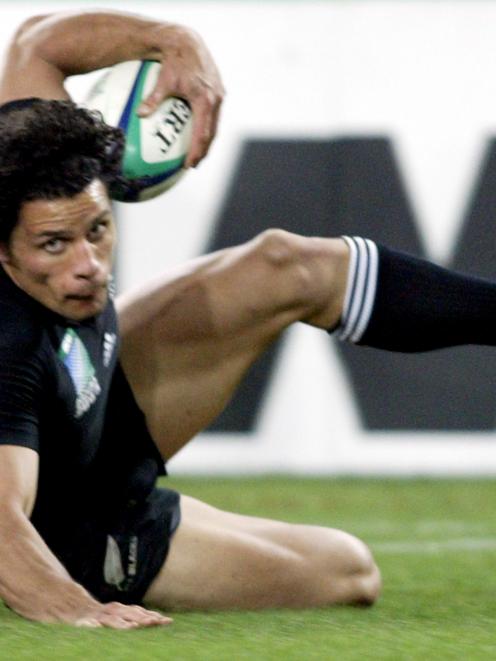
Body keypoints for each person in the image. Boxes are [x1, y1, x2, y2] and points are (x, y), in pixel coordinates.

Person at [0, 11, 381, 629]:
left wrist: (175, 42)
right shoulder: (8, 347)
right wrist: (76, 607)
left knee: (349, 557)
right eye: (54, 245)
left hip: (88, 455)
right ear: (4, 250)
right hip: (70, 536)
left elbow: (36, 43)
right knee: (348, 575)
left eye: (97, 231)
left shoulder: (26, 156)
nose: (89, 265)